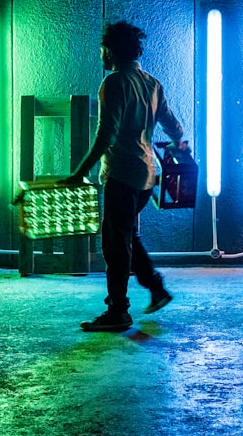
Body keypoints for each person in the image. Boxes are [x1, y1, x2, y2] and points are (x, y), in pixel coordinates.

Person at [64, 20, 189, 332]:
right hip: (147, 176)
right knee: (127, 236)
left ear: (110, 51)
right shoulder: (153, 84)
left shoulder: (114, 83)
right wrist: (177, 146)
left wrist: (79, 173)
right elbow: (176, 129)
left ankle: (118, 311)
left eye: (102, 50)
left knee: (115, 245)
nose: (100, 55)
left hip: (122, 174)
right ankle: (156, 287)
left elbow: (106, 136)